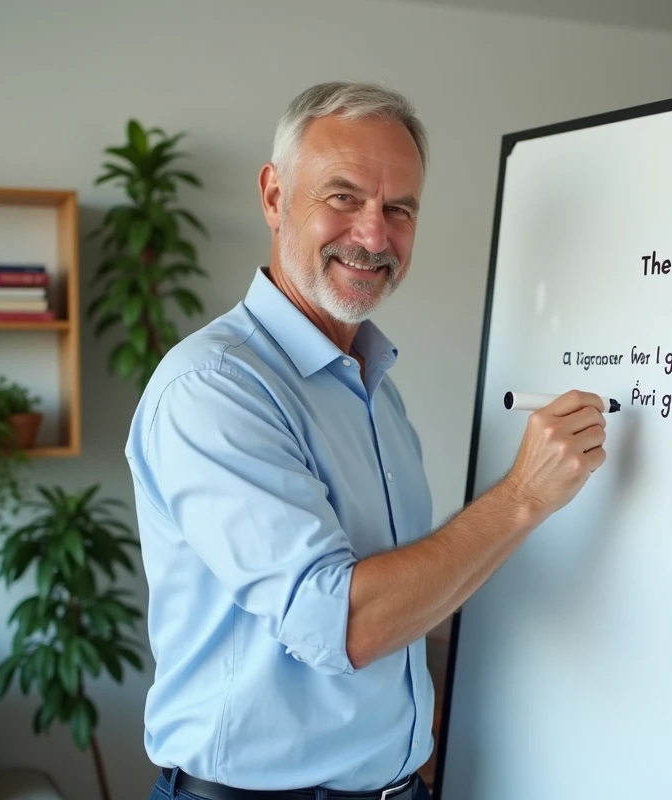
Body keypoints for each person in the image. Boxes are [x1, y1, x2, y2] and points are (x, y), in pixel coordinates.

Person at [125, 81, 608, 800]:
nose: (375, 236)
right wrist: (522, 499)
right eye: (344, 197)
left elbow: (410, 599)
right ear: (274, 197)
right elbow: (341, 625)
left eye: (399, 210)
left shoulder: (376, 387)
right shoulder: (214, 387)